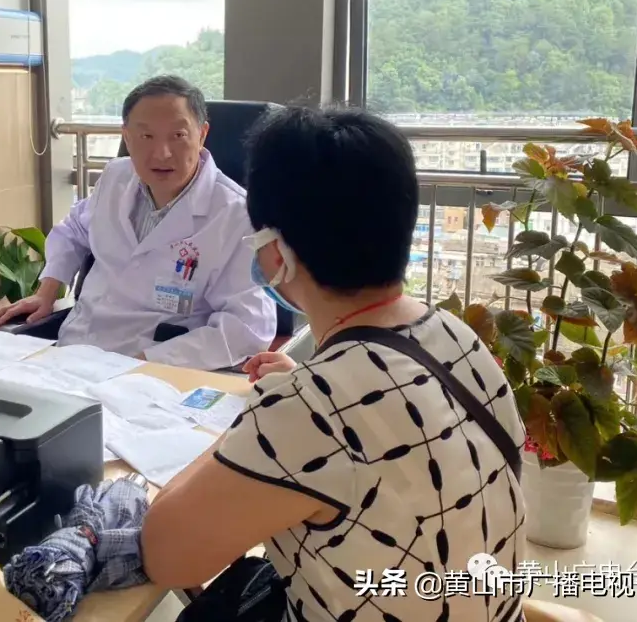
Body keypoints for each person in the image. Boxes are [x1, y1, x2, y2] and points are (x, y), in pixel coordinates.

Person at [140, 106, 526, 622]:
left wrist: (265, 414)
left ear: (276, 252)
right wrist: (299, 392)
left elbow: (166, 556)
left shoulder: (310, 408)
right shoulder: (455, 336)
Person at [0, 75, 276, 370]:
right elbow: (73, 229)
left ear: (202, 134)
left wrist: (149, 362)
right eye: (146, 136)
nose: (162, 153)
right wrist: (46, 292)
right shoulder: (115, 177)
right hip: (73, 351)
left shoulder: (237, 215)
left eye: (178, 135)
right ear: (126, 137)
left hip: (156, 369)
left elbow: (247, 328)